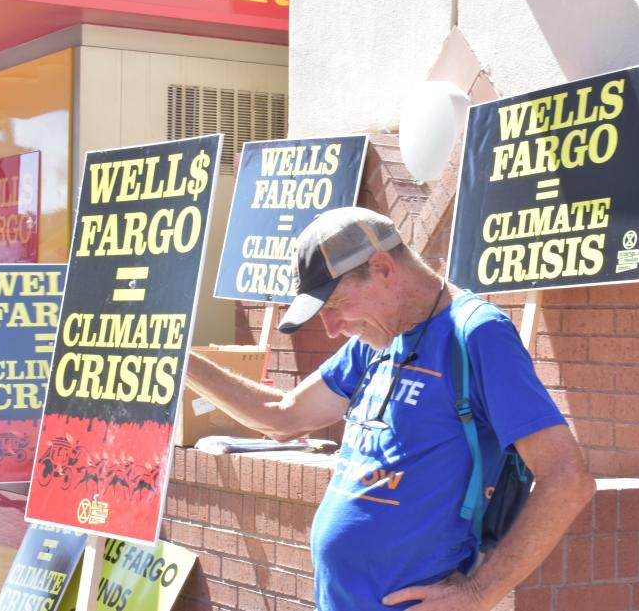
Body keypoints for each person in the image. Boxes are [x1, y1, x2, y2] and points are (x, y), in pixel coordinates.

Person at [186, 207, 595, 611]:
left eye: (335, 305)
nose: (331, 329)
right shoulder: (376, 343)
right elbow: (282, 416)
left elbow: (567, 478)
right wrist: (179, 359)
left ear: (382, 268)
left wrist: (478, 593)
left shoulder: (477, 333)